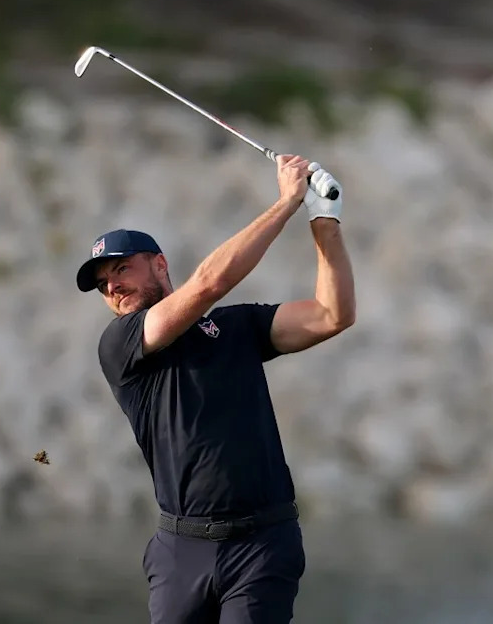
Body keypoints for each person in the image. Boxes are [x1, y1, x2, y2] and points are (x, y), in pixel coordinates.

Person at [74, 155, 356, 624]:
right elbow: (208, 284)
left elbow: (333, 315)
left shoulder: (235, 326)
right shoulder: (121, 343)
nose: (113, 288)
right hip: (181, 551)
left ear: (159, 264)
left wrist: (322, 218)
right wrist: (286, 202)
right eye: (104, 284)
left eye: (121, 270)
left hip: (262, 544)